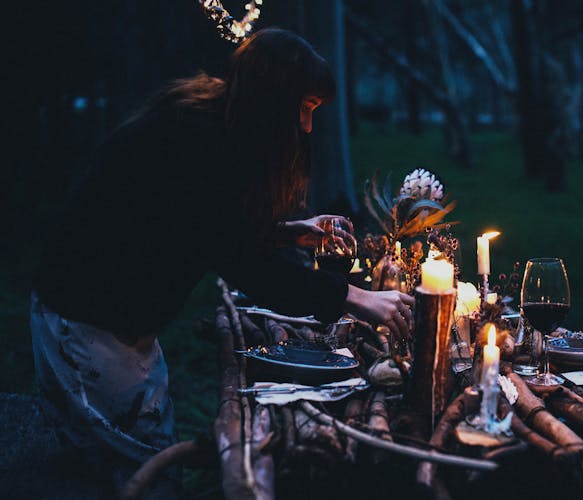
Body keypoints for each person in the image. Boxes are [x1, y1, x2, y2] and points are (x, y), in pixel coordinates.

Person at [30, 28, 413, 496]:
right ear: (276, 99)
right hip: (87, 323)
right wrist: (355, 297)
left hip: (115, 324)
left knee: (146, 464)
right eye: (307, 107)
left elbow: (196, 226)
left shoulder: (208, 123)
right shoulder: (198, 139)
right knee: (132, 477)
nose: (308, 127)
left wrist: (283, 231)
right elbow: (246, 265)